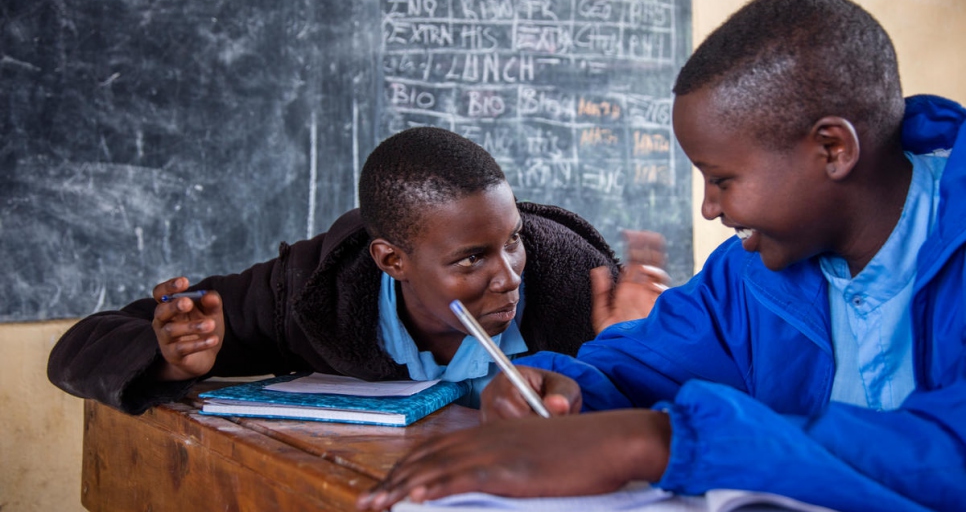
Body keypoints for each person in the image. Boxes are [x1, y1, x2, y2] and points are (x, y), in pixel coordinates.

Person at [357, 0, 966, 512]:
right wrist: (557, 386)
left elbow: (946, 455)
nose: (709, 207)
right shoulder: (747, 275)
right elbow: (638, 366)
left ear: (832, 149)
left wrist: (659, 441)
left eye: (722, 179)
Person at [48, 126, 668, 413]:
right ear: (391, 260)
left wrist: (637, 347)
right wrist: (170, 356)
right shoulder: (315, 292)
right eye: (471, 259)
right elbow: (83, 343)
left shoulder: (579, 289)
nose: (508, 275)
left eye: (513, 242)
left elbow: (681, 410)